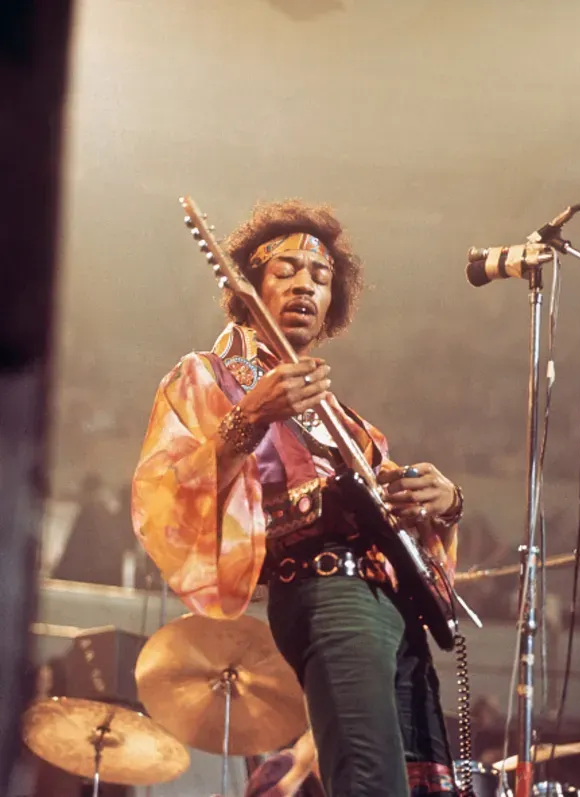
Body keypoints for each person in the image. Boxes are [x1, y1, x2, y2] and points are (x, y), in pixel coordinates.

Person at [131, 199, 463, 797]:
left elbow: (405, 525)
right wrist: (249, 418)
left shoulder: (351, 425)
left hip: (392, 605)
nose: (305, 284)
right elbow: (165, 499)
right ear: (250, 288)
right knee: (370, 780)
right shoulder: (207, 376)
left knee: (409, 783)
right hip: (327, 588)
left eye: (320, 276)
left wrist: (443, 502)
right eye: (284, 271)